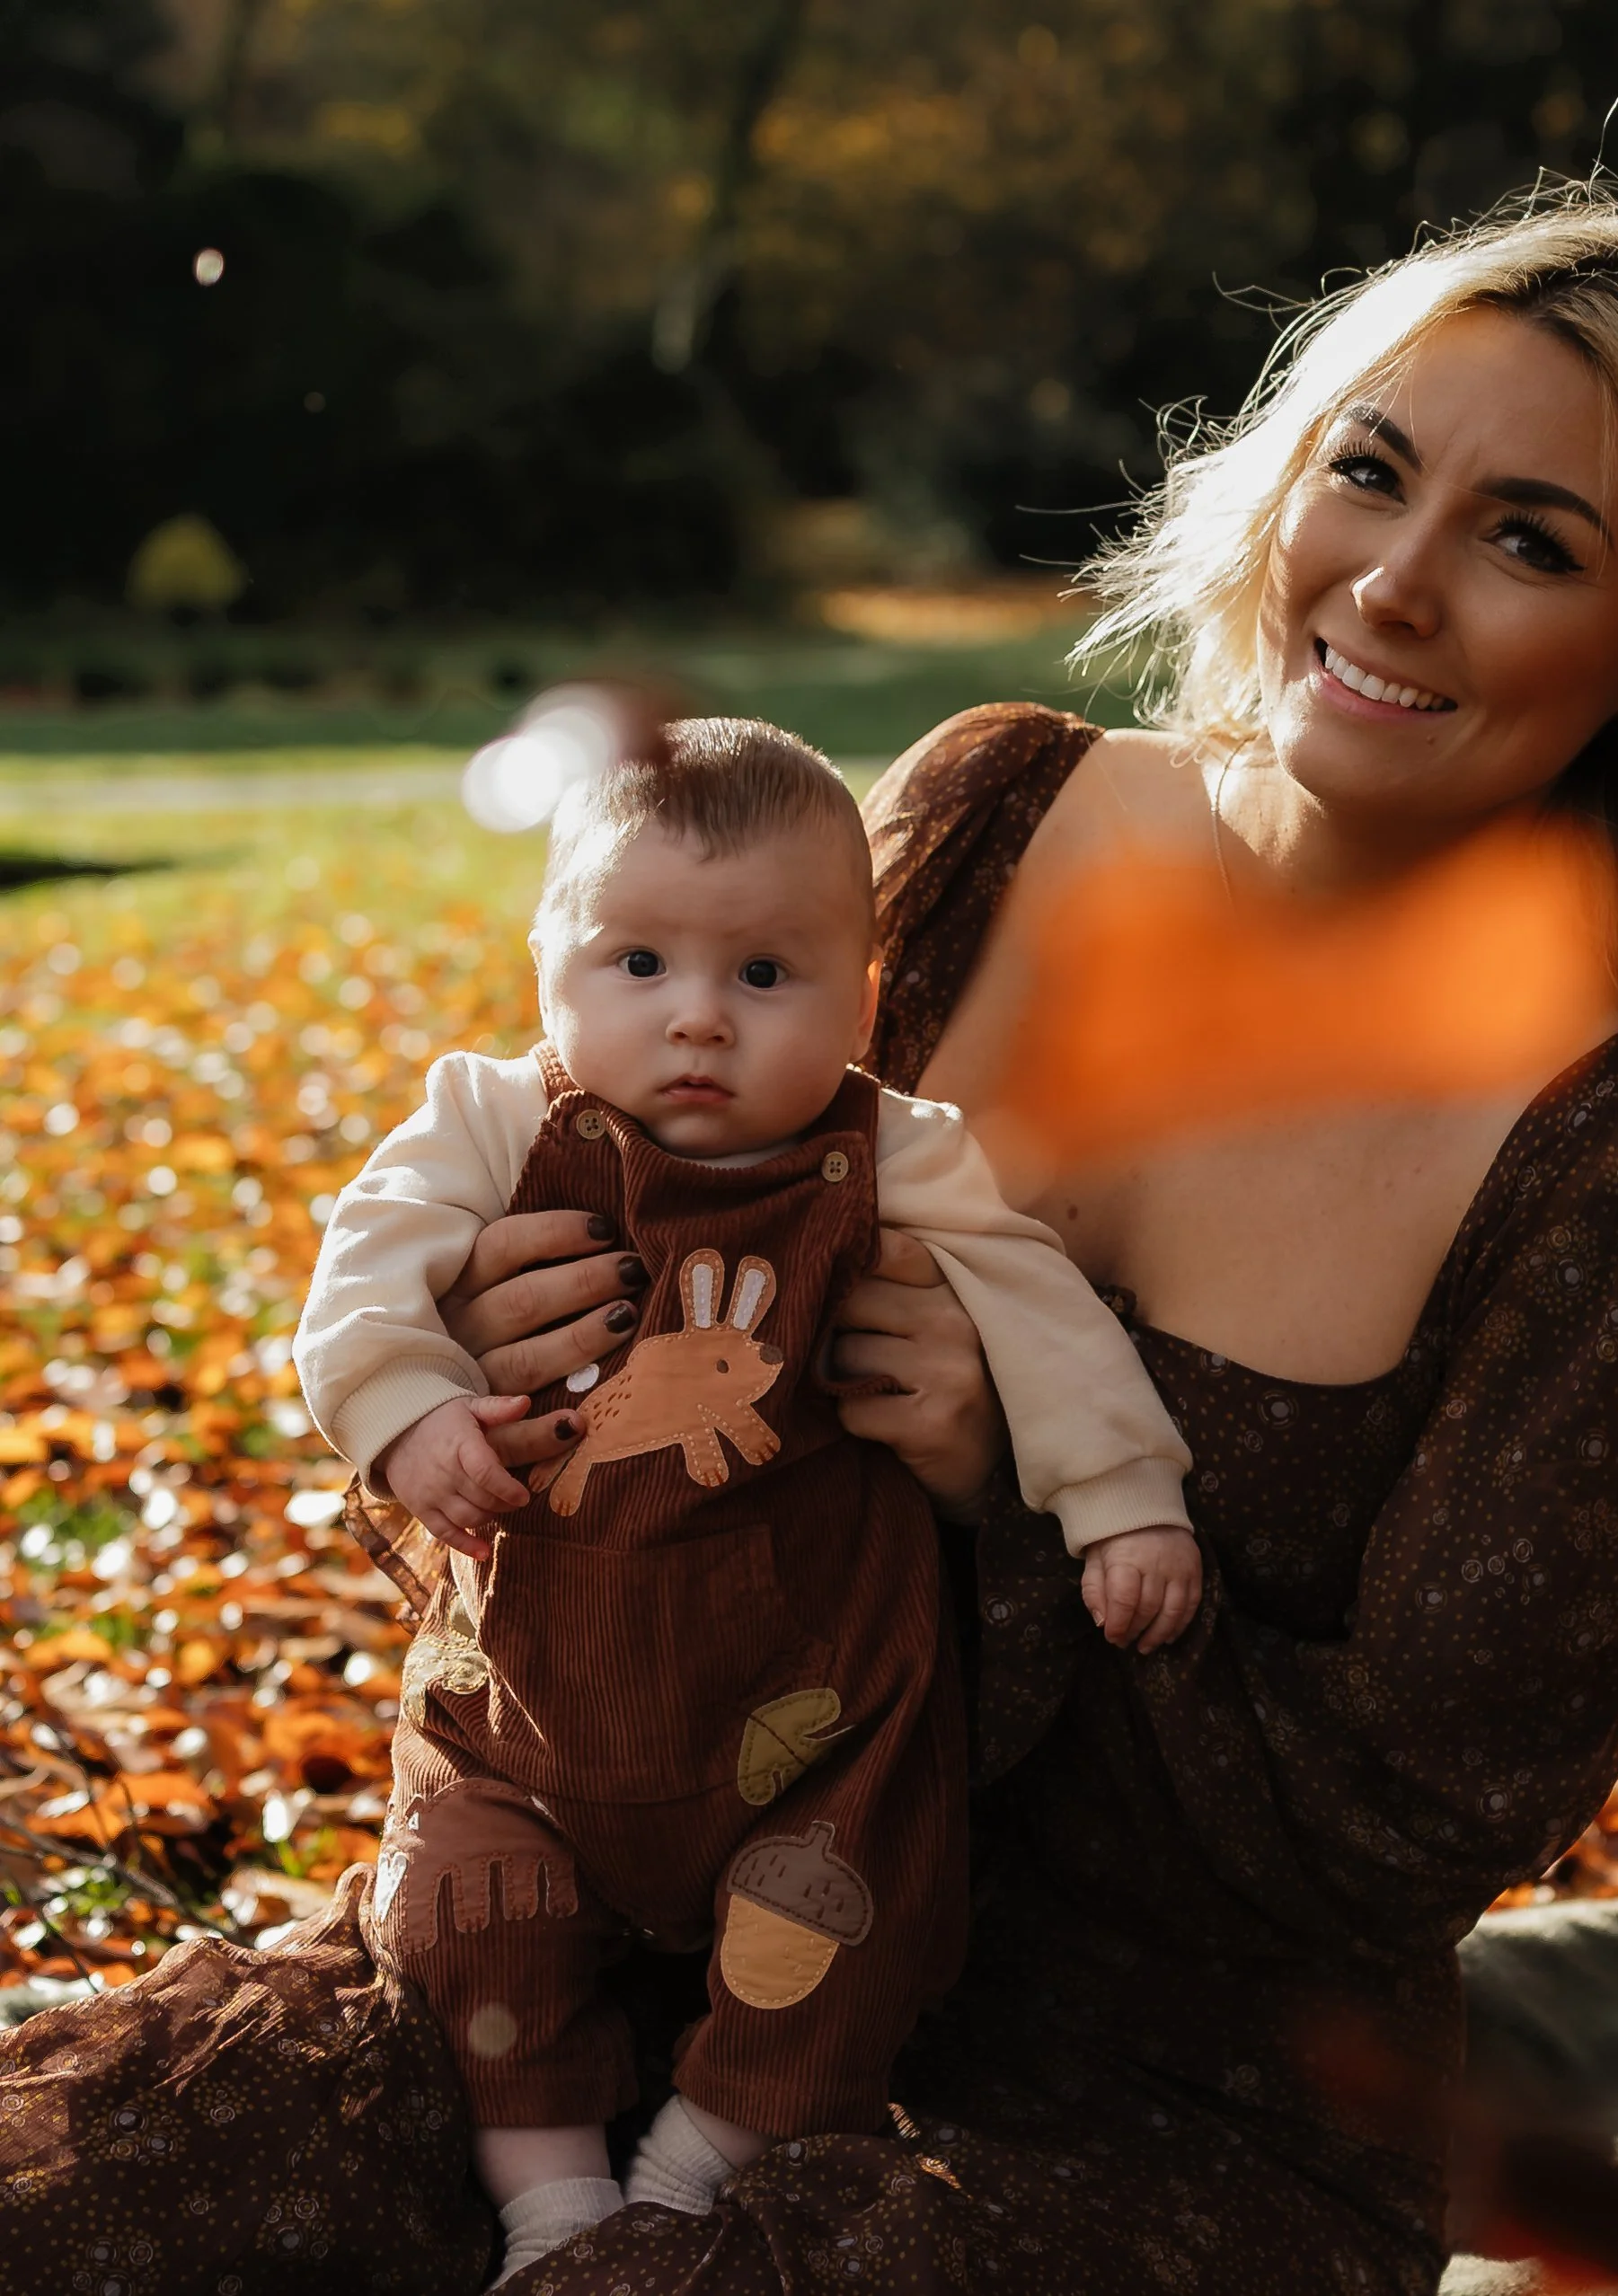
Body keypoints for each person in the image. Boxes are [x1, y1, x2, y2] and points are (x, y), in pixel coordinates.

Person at [0, 187, 1618, 2296]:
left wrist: (1000, 1506)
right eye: (1367, 472)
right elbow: (553, 1405)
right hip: (617, 1949)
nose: (1388, 582)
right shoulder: (989, 817)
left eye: (1527, 540)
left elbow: (1395, 1828)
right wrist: (489, 1360)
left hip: (1145, 2099)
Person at [291, 716, 1198, 2283]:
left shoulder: (889, 1146)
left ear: (856, 1000)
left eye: (763, 977)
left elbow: (1036, 1307)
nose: (696, 1021)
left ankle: (702, 2162)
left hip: (814, 1704)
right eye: (637, 963)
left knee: (852, 1916)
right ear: (549, 972)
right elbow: (370, 1255)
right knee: (468, 1912)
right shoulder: (499, 1118)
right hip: (533, 1707)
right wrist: (406, 1407)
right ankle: (549, 2193)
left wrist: (1120, 1493)